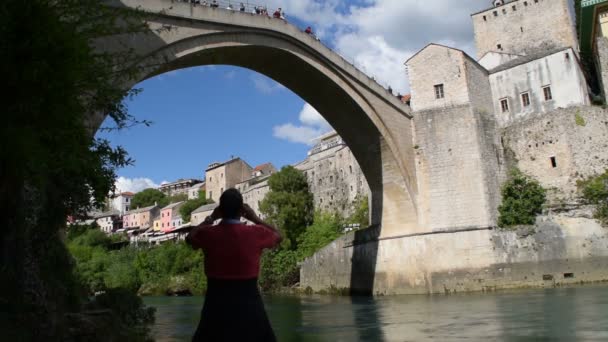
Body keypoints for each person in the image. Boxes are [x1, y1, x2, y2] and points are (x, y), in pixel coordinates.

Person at [187, 189, 282, 341]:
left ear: (220, 210)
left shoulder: (209, 234)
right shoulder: (256, 232)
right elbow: (278, 236)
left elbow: (190, 238)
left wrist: (210, 218)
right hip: (249, 301)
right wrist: (255, 218)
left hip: (216, 301)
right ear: (242, 210)